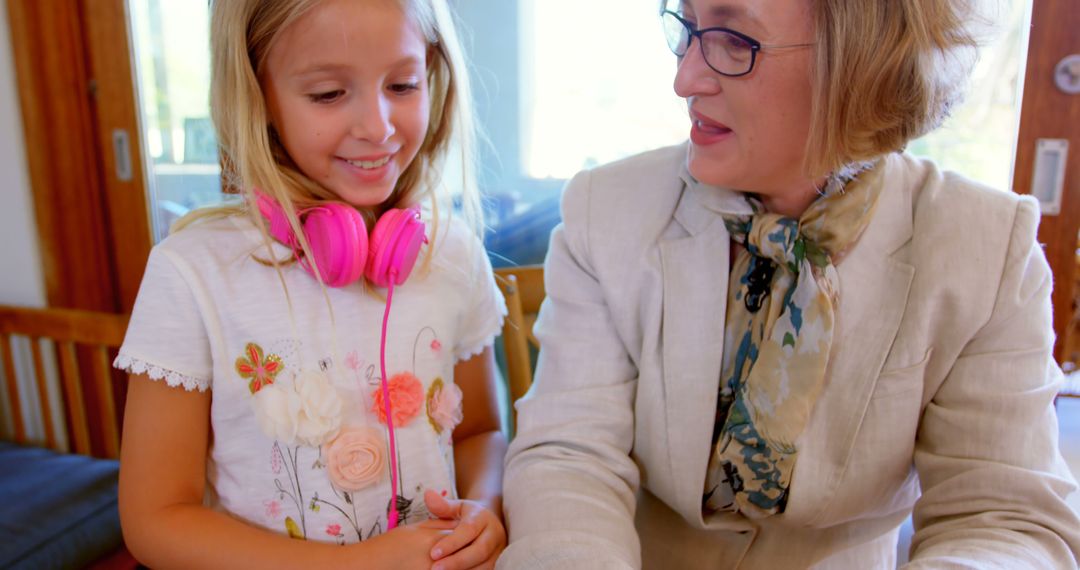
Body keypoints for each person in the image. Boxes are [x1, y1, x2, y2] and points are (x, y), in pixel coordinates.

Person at [501, 0, 1080, 568]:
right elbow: (571, 455)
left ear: (862, 63)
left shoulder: (985, 249)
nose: (684, 78)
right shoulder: (607, 209)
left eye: (734, 42)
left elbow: (1002, 518)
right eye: (689, 27)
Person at [115, 1, 508, 568]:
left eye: (402, 84)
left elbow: (479, 433)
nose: (377, 127)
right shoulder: (193, 273)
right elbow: (155, 520)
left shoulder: (453, 255)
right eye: (327, 94)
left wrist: (483, 507)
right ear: (258, 95)